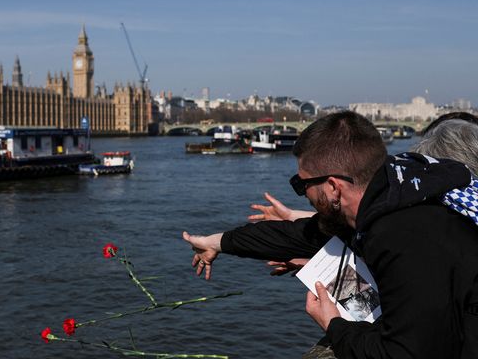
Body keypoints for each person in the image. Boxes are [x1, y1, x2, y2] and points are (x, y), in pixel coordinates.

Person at [183, 111, 478, 358]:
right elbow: (297, 235)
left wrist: (332, 323)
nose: (303, 195)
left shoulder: (400, 235)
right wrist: (215, 242)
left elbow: (405, 353)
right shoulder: (396, 189)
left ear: (333, 187)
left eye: (302, 184)